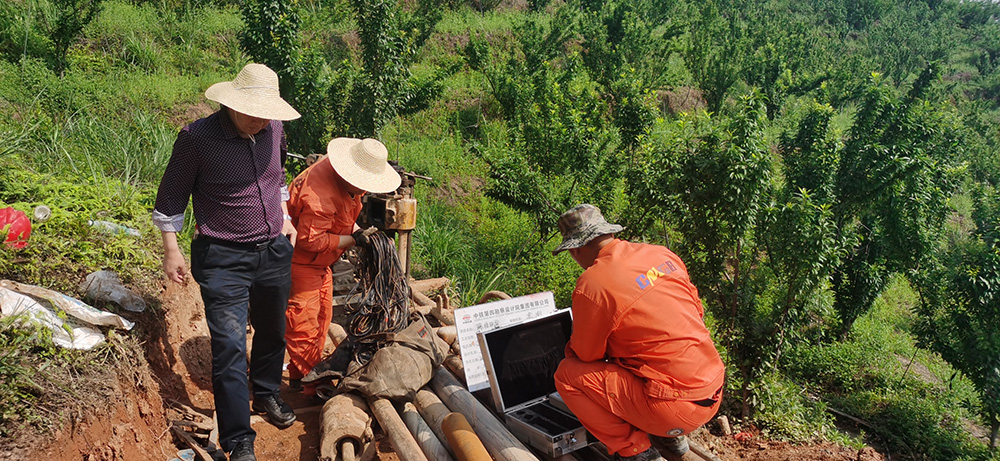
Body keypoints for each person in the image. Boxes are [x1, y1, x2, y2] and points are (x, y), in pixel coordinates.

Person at [152, 63, 301, 461]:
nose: (261, 121)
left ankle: (266, 392)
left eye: (267, 113)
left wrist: (285, 216)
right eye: (253, 112)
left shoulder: (274, 129)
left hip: (272, 250)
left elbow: (277, 176)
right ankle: (238, 439)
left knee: (272, 329)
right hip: (223, 257)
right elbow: (170, 198)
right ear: (232, 104)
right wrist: (171, 249)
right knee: (230, 347)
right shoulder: (197, 139)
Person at [551, 204, 726, 461]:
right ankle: (669, 438)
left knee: (567, 374)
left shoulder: (593, 284)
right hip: (714, 387)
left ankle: (634, 449)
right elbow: (695, 312)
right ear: (609, 233)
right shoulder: (660, 254)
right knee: (643, 353)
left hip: (672, 409)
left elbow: (586, 356)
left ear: (574, 249)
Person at [284, 137, 401, 390]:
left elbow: (343, 216)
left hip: (320, 263)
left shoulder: (345, 182)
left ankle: (298, 376)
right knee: (304, 323)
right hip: (301, 262)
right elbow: (310, 240)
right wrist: (353, 239)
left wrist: (358, 232)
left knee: (322, 318)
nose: (364, 190)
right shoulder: (320, 195)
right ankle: (313, 387)